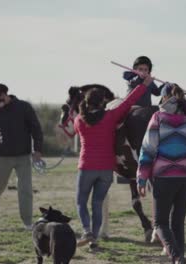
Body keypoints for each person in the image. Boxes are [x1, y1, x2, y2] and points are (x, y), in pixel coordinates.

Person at [74, 75, 152, 249]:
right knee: (97, 204)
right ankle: (93, 239)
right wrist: (144, 85)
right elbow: (127, 102)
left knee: (81, 202)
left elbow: (76, 130)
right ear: (103, 102)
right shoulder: (111, 117)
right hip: (106, 170)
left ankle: (87, 231)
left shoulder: (79, 120)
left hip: (86, 167)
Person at [137, 83, 186, 264]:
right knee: (177, 223)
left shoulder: (158, 117)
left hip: (163, 178)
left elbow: (148, 150)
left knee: (160, 223)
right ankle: (180, 258)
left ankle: (177, 258)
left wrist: (142, 178)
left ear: (163, 98)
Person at [0, 84, 43, 230]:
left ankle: (28, 222)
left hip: (23, 156)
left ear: (4, 93)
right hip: (2, 157)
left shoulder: (24, 107)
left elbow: (36, 129)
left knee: (25, 189)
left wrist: (38, 150)